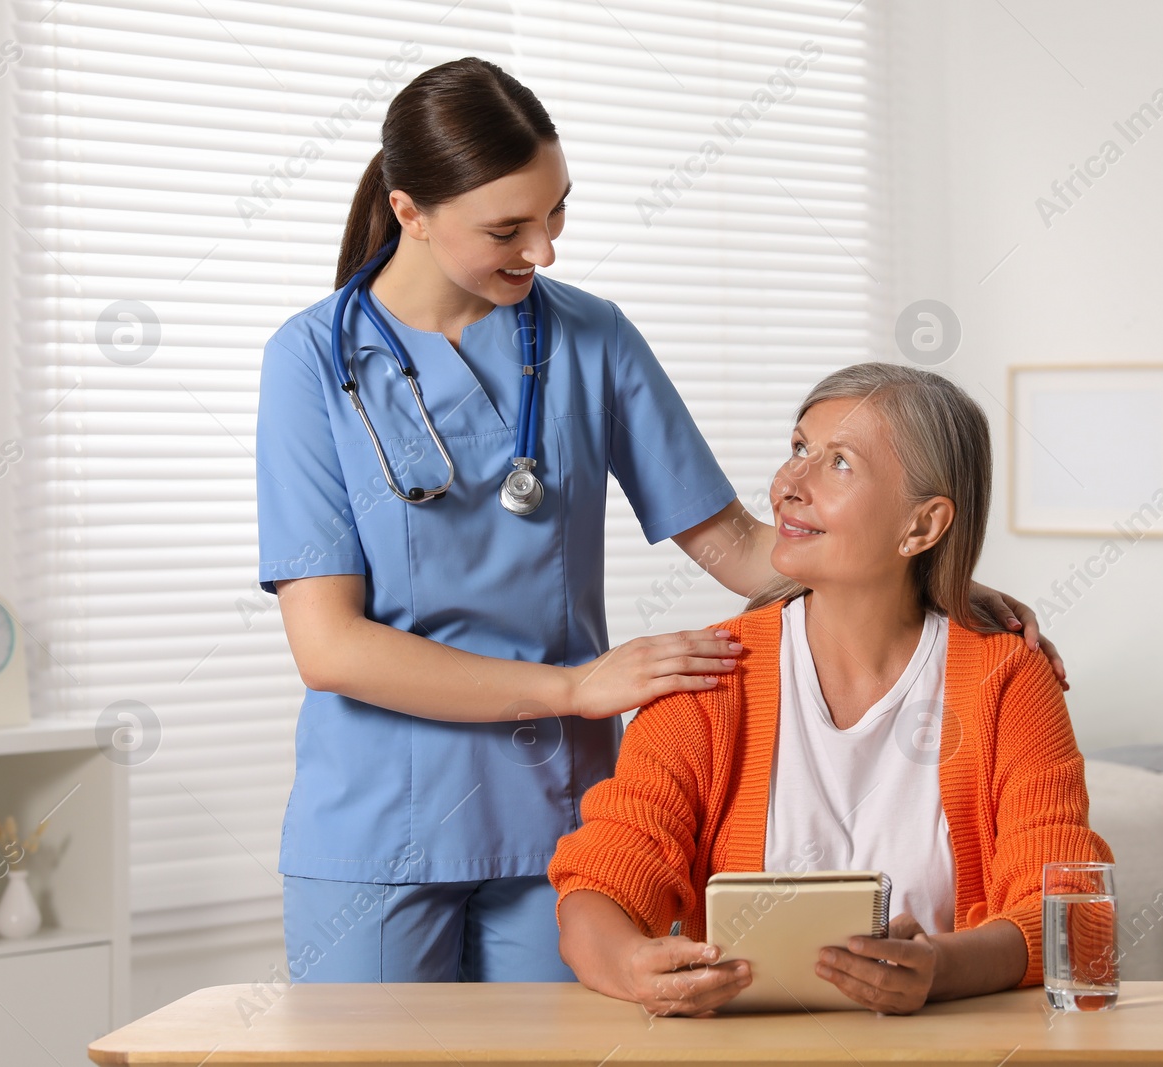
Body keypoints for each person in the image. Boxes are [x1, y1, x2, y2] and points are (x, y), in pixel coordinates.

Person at [256, 57, 1059, 984]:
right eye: (508, 229)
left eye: (557, 212)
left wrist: (936, 584)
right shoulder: (313, 361)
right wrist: (574, 688)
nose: (544, 250)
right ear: (410, 212)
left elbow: (740, 547)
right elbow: (330, 648)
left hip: (552, 807)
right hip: (378, 820)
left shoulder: (589, 337)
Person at [549, 363, 1113, 1015]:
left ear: (923, 527)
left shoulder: (1005, 676)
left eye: (838, 463)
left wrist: (939, 968)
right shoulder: (706, 676)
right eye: (798, 449)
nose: (789, 484)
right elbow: (600, 888)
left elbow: (1075, 918)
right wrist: (629, 964)